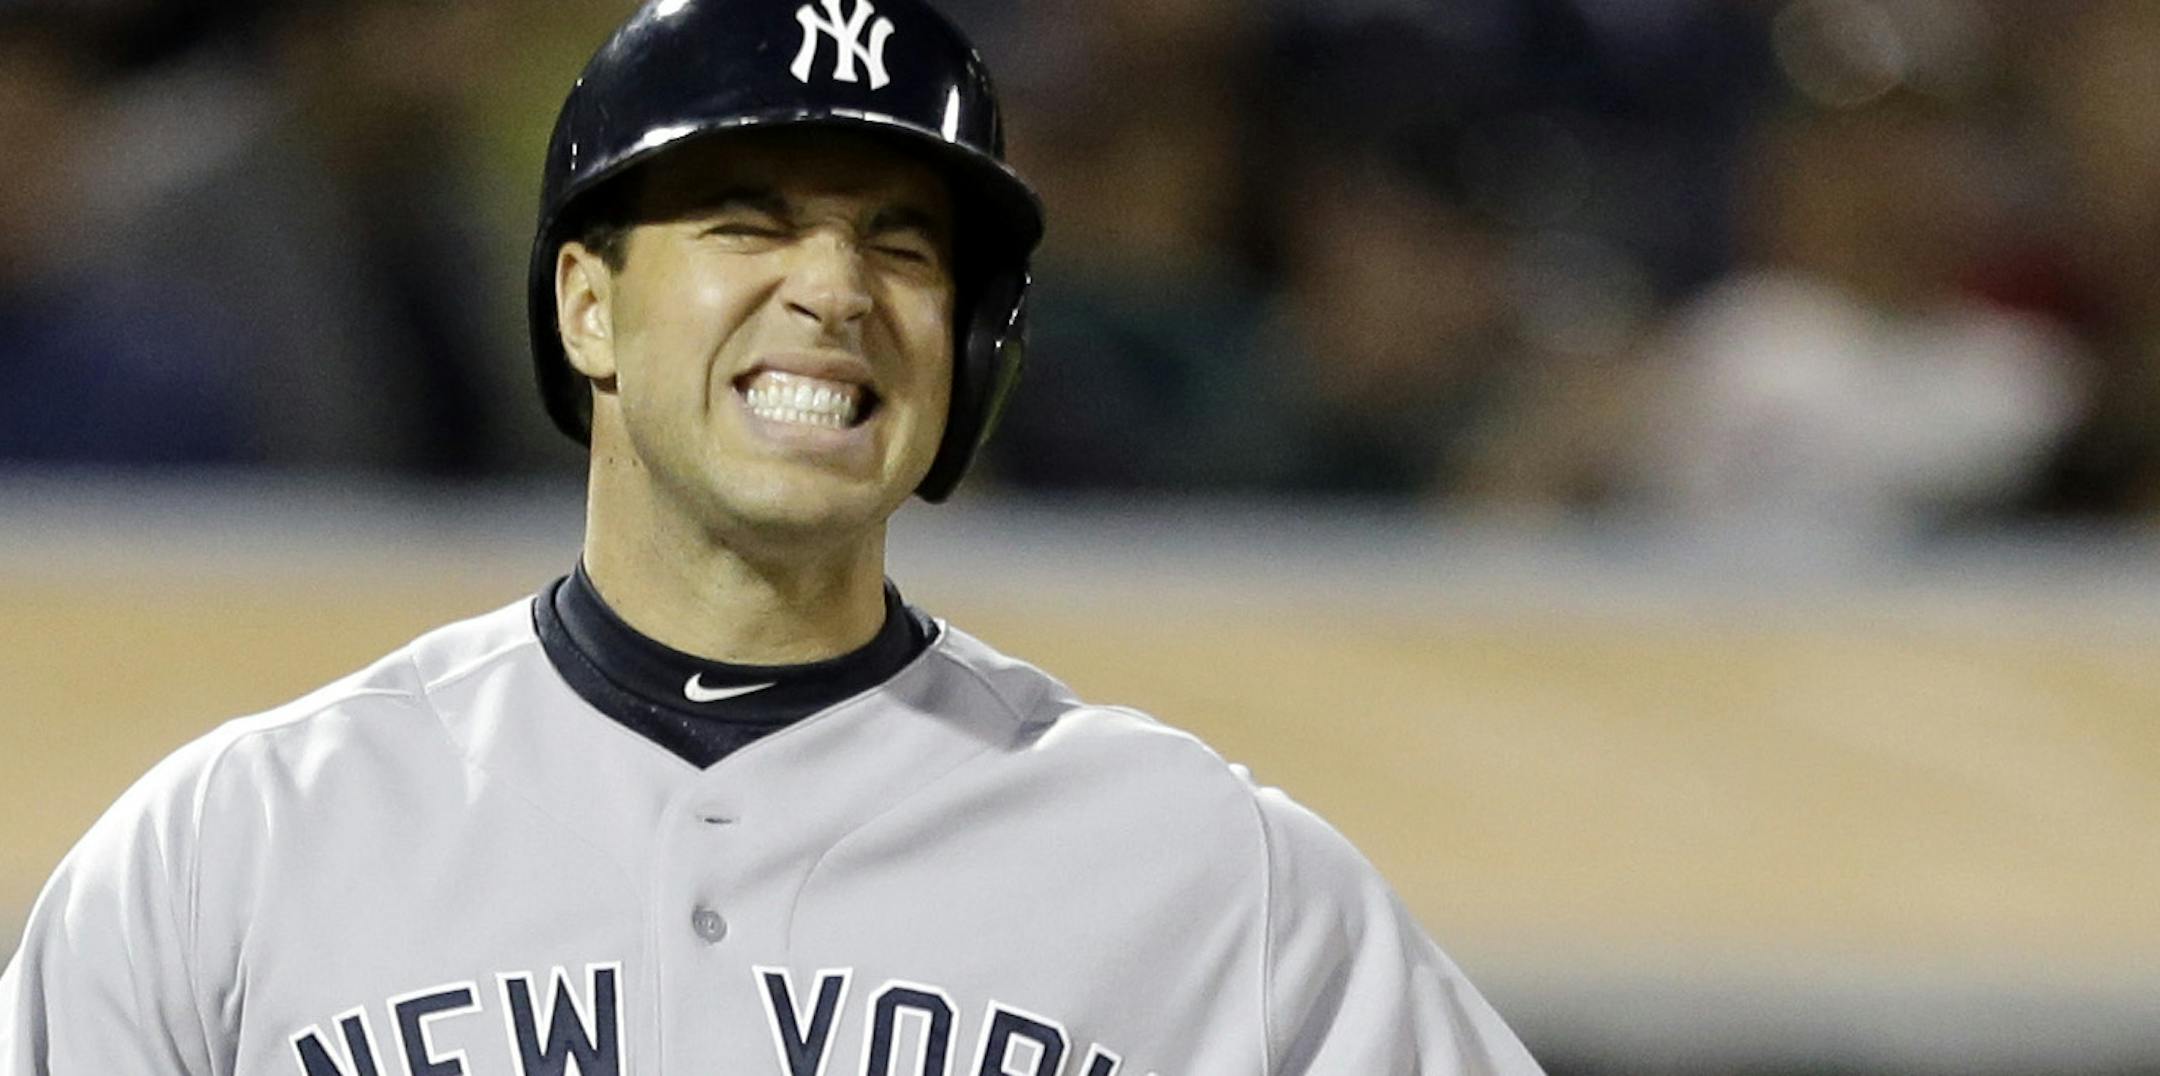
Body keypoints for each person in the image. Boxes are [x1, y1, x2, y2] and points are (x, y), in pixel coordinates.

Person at [0, 2, 1543, 1072]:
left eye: (903, 241)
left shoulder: (1207, 873)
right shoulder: (241, 846)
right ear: (585, 304)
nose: (834, 288)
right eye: (746, 218)